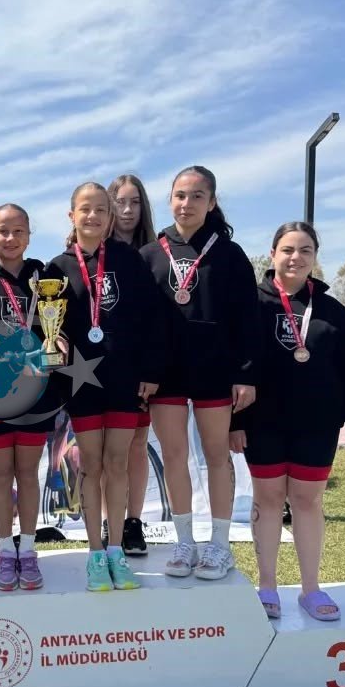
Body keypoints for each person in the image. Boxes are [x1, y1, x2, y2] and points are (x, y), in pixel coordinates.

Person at [229, 222, 345, 621]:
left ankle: (311, 588)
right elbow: (235, 367)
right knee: (268, 499)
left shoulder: (335, 314)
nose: (296, 257)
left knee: (307, 501)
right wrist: (234, 423)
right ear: (273, 254)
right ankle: (267, 586)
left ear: (315, 257)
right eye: (288, 249)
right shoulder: (249, 305)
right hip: (262, 422)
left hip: (317, 424)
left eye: (305, 250)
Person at [138, 165, 259, 581]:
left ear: (211, 202)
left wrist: (245, 374)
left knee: (216, 456)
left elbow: (248, 320)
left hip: (215, 370)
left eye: (196, 196)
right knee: (174, 457)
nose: (186, 203)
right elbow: (143, 324)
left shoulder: (230, 254)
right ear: (169, 200)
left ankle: (219, 545)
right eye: (179, 195)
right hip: (166, 373)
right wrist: (147, 370)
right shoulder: (150, 255)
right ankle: (185, 541)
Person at [45, 182, 163, 592]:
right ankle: (95, 553)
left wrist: (150, 370)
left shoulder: (130, 261)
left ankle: (116, 550)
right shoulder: (57, 268)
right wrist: (55, 340)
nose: (92, 216)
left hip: (124, 380)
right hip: (82, 381)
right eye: (85, 209)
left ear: (110, 217)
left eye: (100, 209)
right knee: (90, 466)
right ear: (71, 215)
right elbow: (47, 325)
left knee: (118, 464)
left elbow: (152, 319)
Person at [0, 203, 55, 591]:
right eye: (3, 231)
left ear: (29, 235)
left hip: (35, 394)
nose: (11, 238)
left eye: (18, 231)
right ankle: (5, 551)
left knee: (29, 474)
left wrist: (57, 344)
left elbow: (59, 327)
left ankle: (28, 550)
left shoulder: (44, 277)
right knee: (0, 474)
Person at [106, 173, 158, 555]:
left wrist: (150, 368)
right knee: (107, 451)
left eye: (135, 202)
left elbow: (157, 318)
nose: (127, 210)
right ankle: (108, 521)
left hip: (141, 369)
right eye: (120, 202)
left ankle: (133, 522)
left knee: (138, 445)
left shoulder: (155, 253)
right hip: (104, 368)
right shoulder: (93, 251)